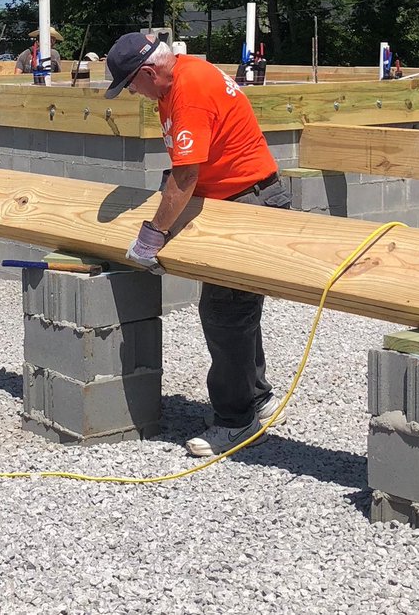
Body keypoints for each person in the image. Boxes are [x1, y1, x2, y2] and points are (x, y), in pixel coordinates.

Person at [105, 33, 291, 457]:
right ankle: (255, 396)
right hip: (242, 196)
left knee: (224, 312)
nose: (135, 93)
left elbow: (186, 177)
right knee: (237, 310)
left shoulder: (187, 91)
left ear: (149, 71)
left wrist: (153, 235)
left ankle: (235, 421)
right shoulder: (182, 77)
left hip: (247, 202)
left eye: (133, 84)